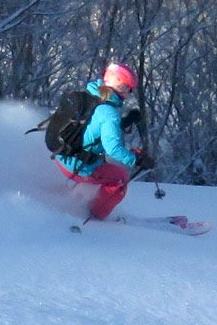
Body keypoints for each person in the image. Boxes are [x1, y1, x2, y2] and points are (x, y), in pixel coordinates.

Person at [56, 61, 152, 221]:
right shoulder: (109, 113)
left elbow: (93, 125)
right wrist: (137, 160)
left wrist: (125, 121)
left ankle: (74, 198)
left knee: (104, 165)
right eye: (126, 88)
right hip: (78, 164)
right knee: (120, 177)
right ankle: (96, 216)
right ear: (118, 85)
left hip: (63, 154)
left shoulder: (91, 95)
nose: (127, 94)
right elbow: (113, 149)